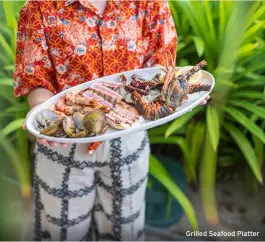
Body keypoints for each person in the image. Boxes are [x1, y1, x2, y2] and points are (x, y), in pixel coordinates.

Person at [13, 0, 210, 240]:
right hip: (66, 142)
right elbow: (36, 83)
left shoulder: (151, 4)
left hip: (128, 139)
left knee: (123, 232)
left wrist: (179, 95)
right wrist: (45, 114)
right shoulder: (39, 7)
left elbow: (160, 74)